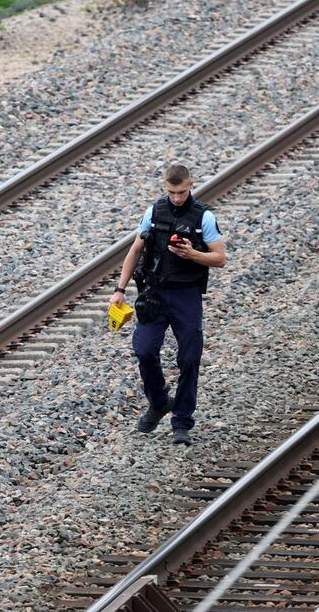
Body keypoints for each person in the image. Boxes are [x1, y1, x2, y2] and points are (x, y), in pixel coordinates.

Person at [110, 164, 226, 446]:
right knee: (144, 349)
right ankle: (160, 401)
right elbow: (135, 250)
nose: (176, 198)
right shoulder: (154, 212)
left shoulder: (203, 217)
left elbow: (220, 258)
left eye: (182, 192)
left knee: (189, 358)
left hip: (186, 295)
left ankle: (182, 422)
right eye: (172, 192)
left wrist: (192, 254)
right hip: (154, 293)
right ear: (165, 187)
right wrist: (119, 289)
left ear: (191, 185)